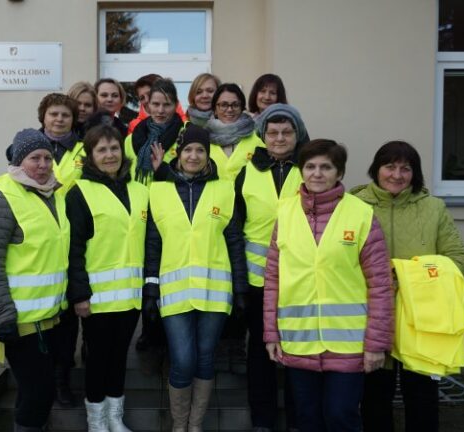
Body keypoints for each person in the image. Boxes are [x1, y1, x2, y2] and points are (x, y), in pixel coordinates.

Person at [263, 139, 394, 432]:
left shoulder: (360, 214)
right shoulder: (285, 213)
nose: (317, 173)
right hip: (299, 340)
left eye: (326, 167)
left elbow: (380, 284)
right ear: (301, 171)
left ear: (339, 173)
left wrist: (376, 344)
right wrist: (271, 333)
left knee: (340, 416)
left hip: (349, 343)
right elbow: (273, 279)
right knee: (307, 419)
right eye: (310, 166)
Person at [353, 140, 464, 432]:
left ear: (414, 173)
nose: (397, 175)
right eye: (389, 166)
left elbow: (459, 260)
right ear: (376, 169)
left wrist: (408, 275)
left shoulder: (433, 208)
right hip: (372, 319)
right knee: (374, 400)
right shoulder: (353, 206)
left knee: (423, 400)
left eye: (406, 168)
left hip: (423, 323)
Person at [143, 124, 248, 431]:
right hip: (174, 292)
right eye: (188, 149)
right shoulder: (158, 189)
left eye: (200, 150)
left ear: (207, 154)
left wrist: (240, 288)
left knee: (204, 359)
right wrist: (150, 288)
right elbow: (152, 242)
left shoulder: (224, 188)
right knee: (183, 360)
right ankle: (179, 424)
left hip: (215, 292)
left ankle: (196, 425)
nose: (193, 155)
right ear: (178, 153)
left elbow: (234, 241)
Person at [0, 128, 69, 432]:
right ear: (18, 161)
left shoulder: (53, 193)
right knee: (39, 394)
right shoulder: (0, 197)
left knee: (34, 393)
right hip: (18, 320)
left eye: (47, 158)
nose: (43, 164)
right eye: (34, 158)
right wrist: (3, 316)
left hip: (49, 318)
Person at [65, 124, 149, 432]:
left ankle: (116, 417)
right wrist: (79, 294)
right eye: (101, 150)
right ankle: (96, 421)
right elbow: (73, 248)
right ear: (90, 156)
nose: (109, 155)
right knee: (98, 359)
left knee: (118, 358)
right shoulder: (80, 193)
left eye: (114, 148)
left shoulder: (140, 191)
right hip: (96, 298)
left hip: (130, 295)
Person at [234, 103, 309, 431]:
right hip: (257, 280)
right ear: (263, 135)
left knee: (298, 352)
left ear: (297, 134)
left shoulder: (310, 169)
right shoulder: (247, 171)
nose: (279, 138)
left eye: (286, 131)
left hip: (301, 279)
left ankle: (297, 420)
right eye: (273, 132)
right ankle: (262, 420)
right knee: (260, 354)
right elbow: (235, 227)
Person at [125, 78, 185, 183]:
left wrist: (163, 169)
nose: (160, 110)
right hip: (139, 198)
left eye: (167, 105)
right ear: (149, 105)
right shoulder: (130, 140)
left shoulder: (186, 136)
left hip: (168, 198)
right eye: (156, 104)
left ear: (175, 105)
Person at [203, 83, 264, 180]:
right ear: (215, 109)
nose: (230, 109)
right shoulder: (202, 140)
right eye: (223, 105)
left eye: (235, 105)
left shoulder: (257, 141)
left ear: (242, 108)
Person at [37, 93, 84, 189]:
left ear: (73, 119)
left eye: (65, 115)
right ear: (43, 117)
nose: (59, 119)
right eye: (54, 114)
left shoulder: (87, 148)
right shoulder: (28, 147)